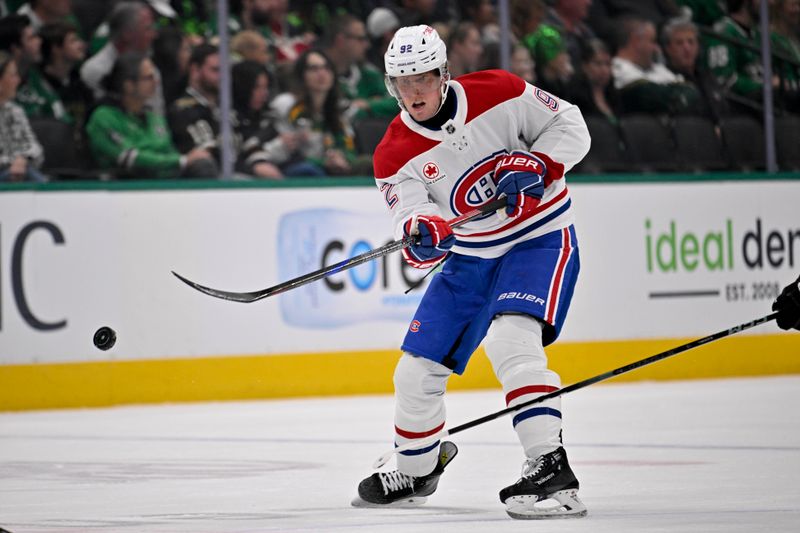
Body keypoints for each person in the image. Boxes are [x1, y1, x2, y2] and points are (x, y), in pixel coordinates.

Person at [351, 25, 590, 520]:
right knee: (414, 374)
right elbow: (412, 217)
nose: (413, 91)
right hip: (471, 260)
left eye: (422, 78)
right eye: (402, 81)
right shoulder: (393, 154)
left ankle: (551, 469)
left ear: (444, 73)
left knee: (511, 341)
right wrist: (424, 233)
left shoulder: (499, 90)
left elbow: (572, 126)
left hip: (538, 238)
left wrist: (540, 164)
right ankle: (417, 470)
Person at [85, 52, 216, 179]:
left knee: (202, 166)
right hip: (123, 190)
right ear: (128, 85)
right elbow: (131, 158)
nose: (156, 82)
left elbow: (168, 151)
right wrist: (181, 160)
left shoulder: (155, 118)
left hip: (164, 188)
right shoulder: (104, 118)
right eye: (149, 77)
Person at [231, 59, 323, 178]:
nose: (263, 93)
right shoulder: (229, 120)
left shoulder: (270, 115)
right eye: (257, 87)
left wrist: (293, 142)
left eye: (265, 87)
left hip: (283, 169)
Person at [0, 51, 46, 182]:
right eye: (13, 76)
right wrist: (15, 162)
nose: (18, 80)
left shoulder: (15, 110)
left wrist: (23, 159)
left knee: (28, 173)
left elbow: (36, 149)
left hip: (19, 171)